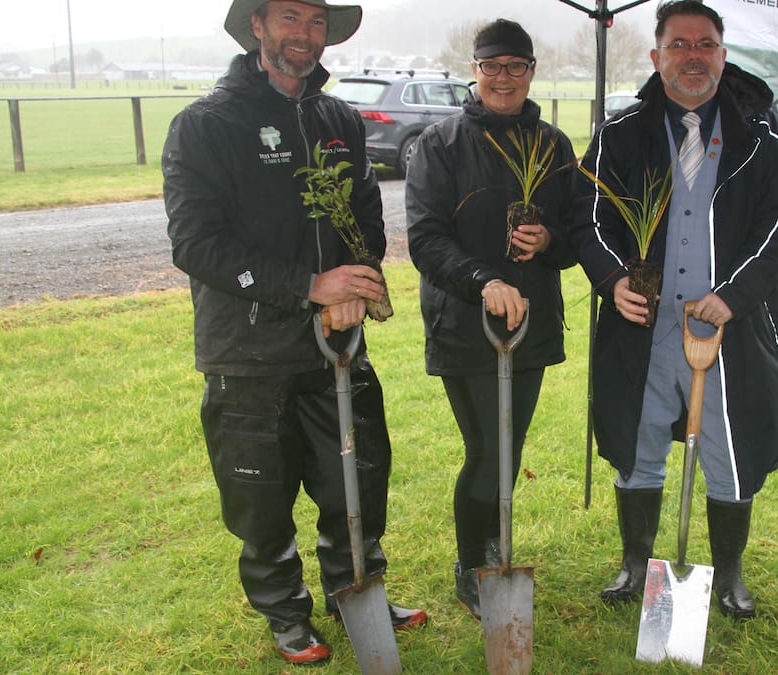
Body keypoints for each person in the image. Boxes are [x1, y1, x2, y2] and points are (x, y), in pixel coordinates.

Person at [162, 0, 426, 665]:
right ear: (257, 25)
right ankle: (284, 612)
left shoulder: (340, 119)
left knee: (357, 481)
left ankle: (355, 589)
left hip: (336, 346)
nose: (303, 35)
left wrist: (358, 280)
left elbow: (364, 212)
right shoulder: (204, 126)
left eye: (314, 21)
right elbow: (196, 245)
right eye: (288, 17)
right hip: (247, 352)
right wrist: (309, 287)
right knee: (262, 497)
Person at [572, 0, 778, 620]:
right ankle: (635, 564)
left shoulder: (763, 139)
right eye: (678, 45)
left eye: (705, 44)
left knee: (728, 447)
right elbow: (585, 217)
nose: (693, 57)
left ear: (723, 55)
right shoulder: (619, 137)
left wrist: (734, 294)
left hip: (728, 327)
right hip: (642, 326)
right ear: (656, 58)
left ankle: (729, 574)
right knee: (640, 435)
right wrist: (610, 278)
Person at [404, 19, 576, 620]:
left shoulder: (553, 145)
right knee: (487, 449)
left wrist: (548, 237)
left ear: (532, 71)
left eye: (516, 66)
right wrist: (485, 280)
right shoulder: (439, 144)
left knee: (510, 444)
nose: (504, 77)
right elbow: (424, 239)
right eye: (492, 66)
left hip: (531, 325)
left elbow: (576, 237)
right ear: (473, 72)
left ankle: (496, 546)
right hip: (465, 323)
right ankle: (472, 562)